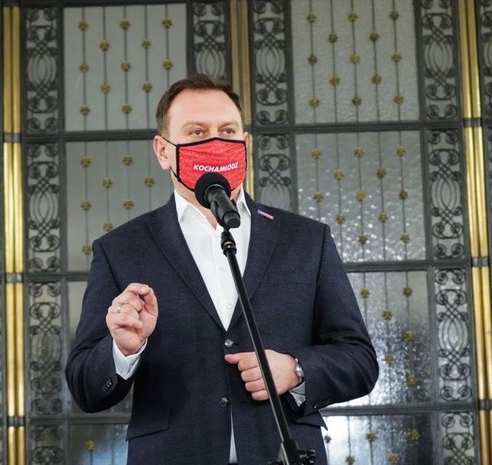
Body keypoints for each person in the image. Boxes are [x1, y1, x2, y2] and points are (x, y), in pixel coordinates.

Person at [65, 74, 379, 465]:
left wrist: (296, 370)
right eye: (196, 132)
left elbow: (359, 360)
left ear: (245, 143)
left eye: (227, 131)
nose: (214, 143)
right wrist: (123, 350)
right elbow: (85, 387)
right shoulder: (121, 249)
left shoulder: (306, 239)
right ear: (163, 151)